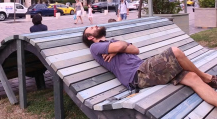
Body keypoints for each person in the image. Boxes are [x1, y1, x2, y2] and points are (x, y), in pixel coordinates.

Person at [82, 25, 217, 107]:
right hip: (136, 76)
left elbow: (135, 50)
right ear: (90, 37)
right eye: (93, 28)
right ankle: (207, 78)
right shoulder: (95, 47)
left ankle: (206, 82)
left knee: (192, 77)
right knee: (175, 51)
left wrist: (116, 49)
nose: (96, 26)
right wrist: (119, 47)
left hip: (145, 69)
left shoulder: (112, 42)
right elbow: (123, 45)